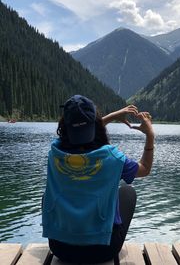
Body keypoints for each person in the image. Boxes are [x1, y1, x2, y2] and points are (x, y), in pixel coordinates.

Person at [42, 94, 154, 264]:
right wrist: (150, 135)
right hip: (103, 251)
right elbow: (144, 169)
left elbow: (74, 134)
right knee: (127, 192)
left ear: (63, 126)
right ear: (95, 124)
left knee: (46, 196)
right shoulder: (112, 158)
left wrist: (111, 117)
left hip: (59, 247)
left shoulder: (54, 155)